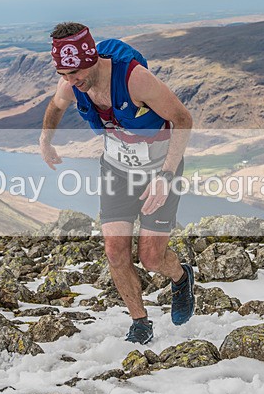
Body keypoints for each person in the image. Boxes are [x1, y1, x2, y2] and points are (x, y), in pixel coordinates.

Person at [39, 22, 195, 344]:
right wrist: (45, 139)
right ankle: (140, 321)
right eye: (64, 75)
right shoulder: (72, 82)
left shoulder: (134, 78)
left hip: (159, 168)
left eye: (75, 74)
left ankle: (181, 278)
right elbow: (55, 105)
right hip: (116, 169)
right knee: (115, 251)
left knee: (151, 257)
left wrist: (166, 176)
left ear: (92, 57)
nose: (70, 83)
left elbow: (182, 119)